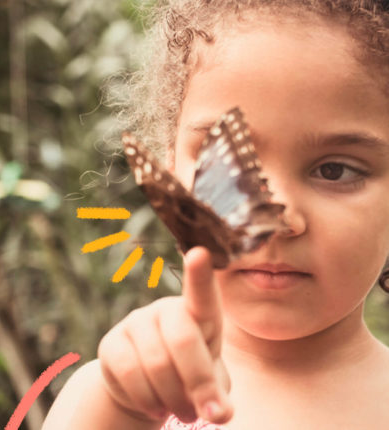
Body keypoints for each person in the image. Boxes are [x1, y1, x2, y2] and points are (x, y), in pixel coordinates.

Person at [42, 1, 389, 428]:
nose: (275, 220)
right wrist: (123, 411)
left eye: (334, 170)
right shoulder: (107, 398)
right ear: (171, 179)